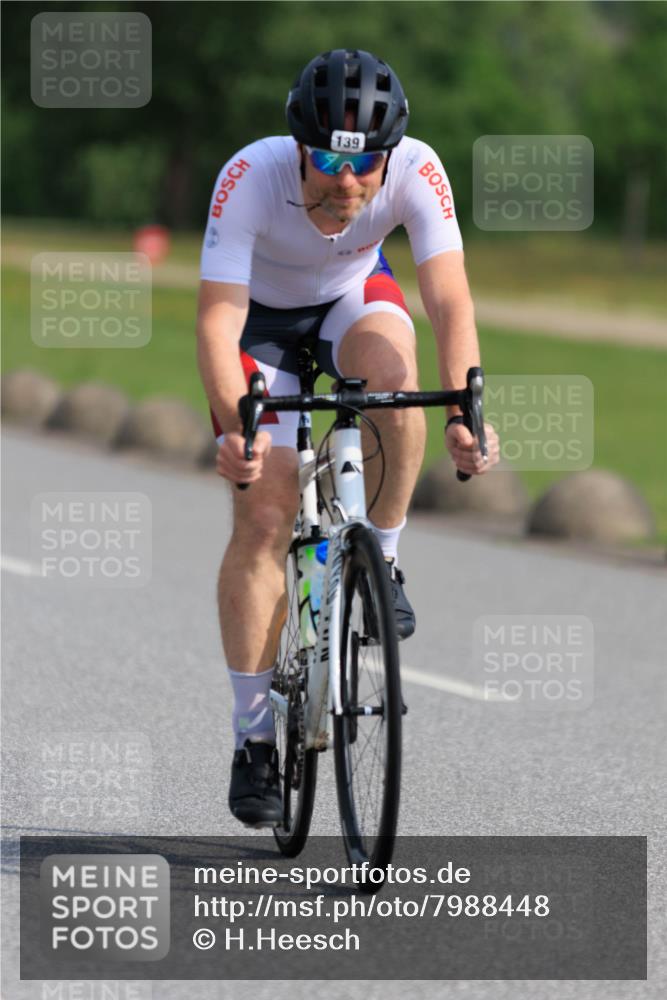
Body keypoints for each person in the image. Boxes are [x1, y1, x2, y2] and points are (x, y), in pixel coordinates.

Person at [196, 49, 500, 827]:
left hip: (348, 299)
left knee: (395, 388)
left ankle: (384, 558)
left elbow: (449, 300)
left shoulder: (418, 169)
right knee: (263, 516)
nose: (348, 181)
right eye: (330, 159)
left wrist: (466, 409)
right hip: (257, 326)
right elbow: (217, 321)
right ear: (299, 144)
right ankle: (253, 736)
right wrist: (237, 431)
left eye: (365, 161)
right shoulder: (249, 176)